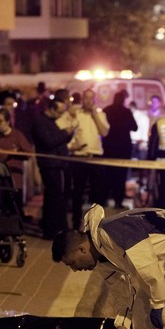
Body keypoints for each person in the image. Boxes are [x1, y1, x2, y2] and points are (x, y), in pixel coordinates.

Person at [59, 89, 110, 229]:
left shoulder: (100, 114)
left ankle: (96, 224)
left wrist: (95, 115)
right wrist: (71, 146)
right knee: (78, 192)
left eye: (91, 98)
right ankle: (76, 223)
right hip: (79, 157)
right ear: (82, 99)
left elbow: (104, 132)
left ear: (95, 100)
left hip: (96, 157)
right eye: (86, 98)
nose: (88, 101)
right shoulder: (76, 114)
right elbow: (63, 129)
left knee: (97, 193)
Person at [31, 97, 75, 239]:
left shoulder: (50, 122)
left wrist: (69, 133)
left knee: (58, 196)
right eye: (59, 112)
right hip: (49, 164)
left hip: (58, 164)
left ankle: (58, 226)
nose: (60, 115)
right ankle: (50, 229)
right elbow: (49, 141)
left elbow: (59, 140)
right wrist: (65, 133)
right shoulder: (40, 122)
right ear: (51, 109)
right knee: (53, 196)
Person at [102, 89, 138, 209]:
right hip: (123, 148)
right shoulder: (126, 112)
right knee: (121, 176)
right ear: (123, 100)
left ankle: (105, 199)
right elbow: (135, 127)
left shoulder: (106, 110)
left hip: (108, 148)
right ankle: (118, 200)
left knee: (107, 175)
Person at [0, 107, 34, 193]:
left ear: (7, 121)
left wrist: (17, 153)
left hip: (13, 180)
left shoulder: (17, 135)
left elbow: (29, 153)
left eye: (0, 121)